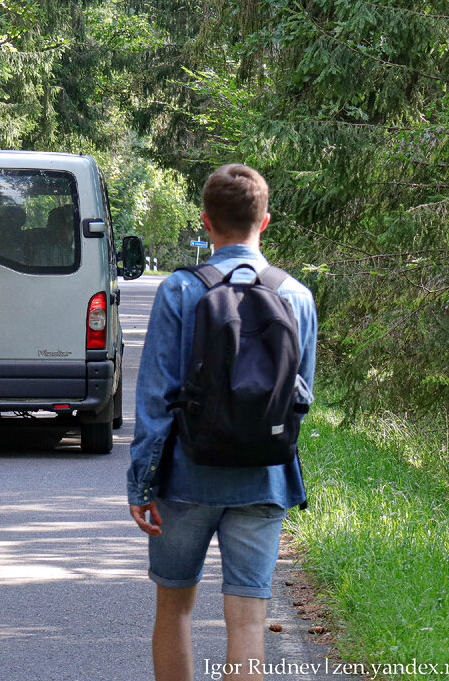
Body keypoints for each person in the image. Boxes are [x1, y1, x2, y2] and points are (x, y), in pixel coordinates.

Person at [127, 164, 317, 681]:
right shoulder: (295, 295)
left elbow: (157, 399)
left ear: (206, 222)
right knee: (249, 623)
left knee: (175, 610)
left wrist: (142, 482)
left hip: (186, 477)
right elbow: (300, 397)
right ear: (266, 220)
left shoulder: (179, 291)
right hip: (264, 478)